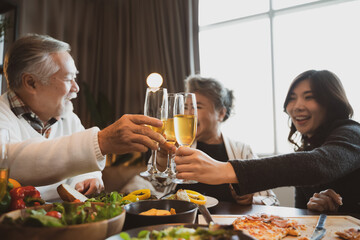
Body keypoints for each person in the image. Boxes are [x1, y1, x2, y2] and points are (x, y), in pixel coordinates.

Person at [0, 34, 170, 201]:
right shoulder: (3, 114)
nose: (76, 88)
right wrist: (101, 142)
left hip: (63, 219)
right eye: (68, 79)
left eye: (75, 78)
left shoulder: (68, 117)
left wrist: (88, 178)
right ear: (31, 83)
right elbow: (10, 162)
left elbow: (82, 165)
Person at [174, 70, 360, 214]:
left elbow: (319, 164)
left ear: (331, 102)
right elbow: (304, 213)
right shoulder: (305, 150)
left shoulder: (352, 133)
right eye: (292, 99)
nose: (296, 106)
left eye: (309, 97)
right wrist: (316, 208)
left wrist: (223, 170)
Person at [157, 75, 279, 205]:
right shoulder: (176, 146)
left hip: (228, 223)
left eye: (197, 107)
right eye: (186, 107)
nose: (188, 114)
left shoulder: (242, 151)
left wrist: (251, 200)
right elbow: (158, 187)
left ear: (221, 113)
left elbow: (272, 200)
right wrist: (162, 156)